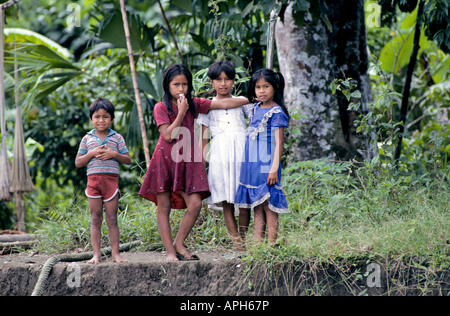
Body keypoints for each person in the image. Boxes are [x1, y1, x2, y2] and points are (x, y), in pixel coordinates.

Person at [139, 64, 249, 262]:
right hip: (165, 160)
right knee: (163, 207)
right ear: (167, 85)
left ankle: (179, 243)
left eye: (185, 84)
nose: (181, 89)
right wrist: (181, 112)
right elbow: (168, 135)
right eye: (176, 84)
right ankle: (170, 252)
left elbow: (224, 104)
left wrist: (257, 96)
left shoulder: (196, 103)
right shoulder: (161, 107)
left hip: (187, 159)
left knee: (195, 204)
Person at [197, 60, 251, 252]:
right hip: (220, 154)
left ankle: (243, 238)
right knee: (226, 200)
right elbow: (204, 137)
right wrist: (202, 165)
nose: (223, 83)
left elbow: (255, 122)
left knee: (244, 198)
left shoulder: (242, 102)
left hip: (242, 152)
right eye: (218, 79)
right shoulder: (206, 106)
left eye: (228, 79)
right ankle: (237, 243)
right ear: (211, 82)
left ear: (234, 81)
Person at [235, 68, 290, 245]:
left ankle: (272, 243)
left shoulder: (276, 112)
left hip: (267, 164)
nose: (262, 91)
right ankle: (258, 245)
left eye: (266, 86)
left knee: (269, 203)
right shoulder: (254, 109)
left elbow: (279, 144)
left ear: (275, 87)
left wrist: (274, 168)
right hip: (252, 164)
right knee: (257, 205)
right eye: (258, 87)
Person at [75, 98, 132, 264]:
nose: (101, 120)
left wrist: (114, 155)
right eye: (97, 117)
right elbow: (78, 162)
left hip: (111, 183)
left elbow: (127, 160)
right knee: (95, 218)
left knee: (112, 218)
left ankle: (116, 254)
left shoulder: (117, 138)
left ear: (112, 119)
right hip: (93, 183)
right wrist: (91, 153)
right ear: (91, 119)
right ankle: (96, 254)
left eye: (105, 116)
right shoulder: (87, 139)